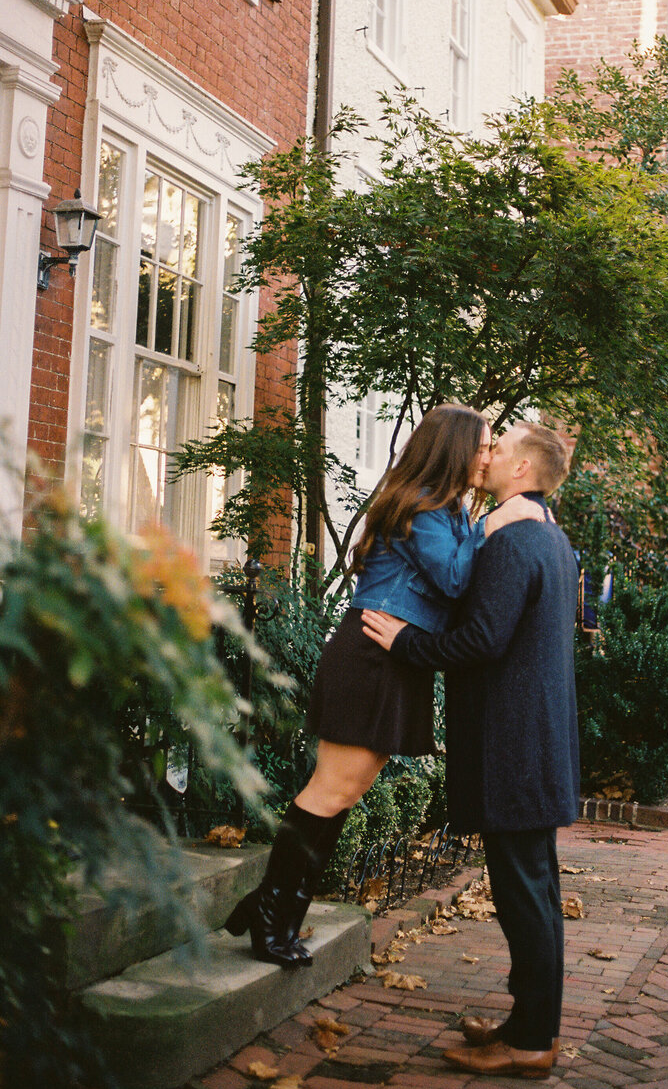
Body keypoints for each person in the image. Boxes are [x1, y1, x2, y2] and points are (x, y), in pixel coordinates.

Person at [224, 403, 545, 968]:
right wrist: (497, 523)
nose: (490, 456)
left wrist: (484, 524)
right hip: (372, 656)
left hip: (394, 659)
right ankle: (274, 914)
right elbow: (454, 580)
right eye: (483, 446)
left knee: (342, 793)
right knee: (330, 791)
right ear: (454, 450)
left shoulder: (445, 512)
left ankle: (269, 905)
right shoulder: (422, 507)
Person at [362, 422, 579, 1081]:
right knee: (534, 889)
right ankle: (527, 1023)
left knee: (524, 894)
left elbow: (480, 640)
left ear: (521, 471)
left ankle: (531, 1041)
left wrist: (403, 642)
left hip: (514, 747)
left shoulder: (515, 540)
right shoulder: (549, 534)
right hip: (537, 744)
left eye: (499, 449)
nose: (487, 456)